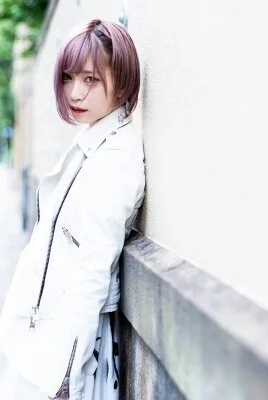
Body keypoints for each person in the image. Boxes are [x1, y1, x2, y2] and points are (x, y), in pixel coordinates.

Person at [0, 19, 145, 399]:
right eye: (68, 77)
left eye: (91, 79)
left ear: (123, 81)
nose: (75, 92)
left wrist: (64, 379)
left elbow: (92, 273)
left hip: (55, 356)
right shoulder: (93, 142)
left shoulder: (114, 158)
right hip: (37, 343)